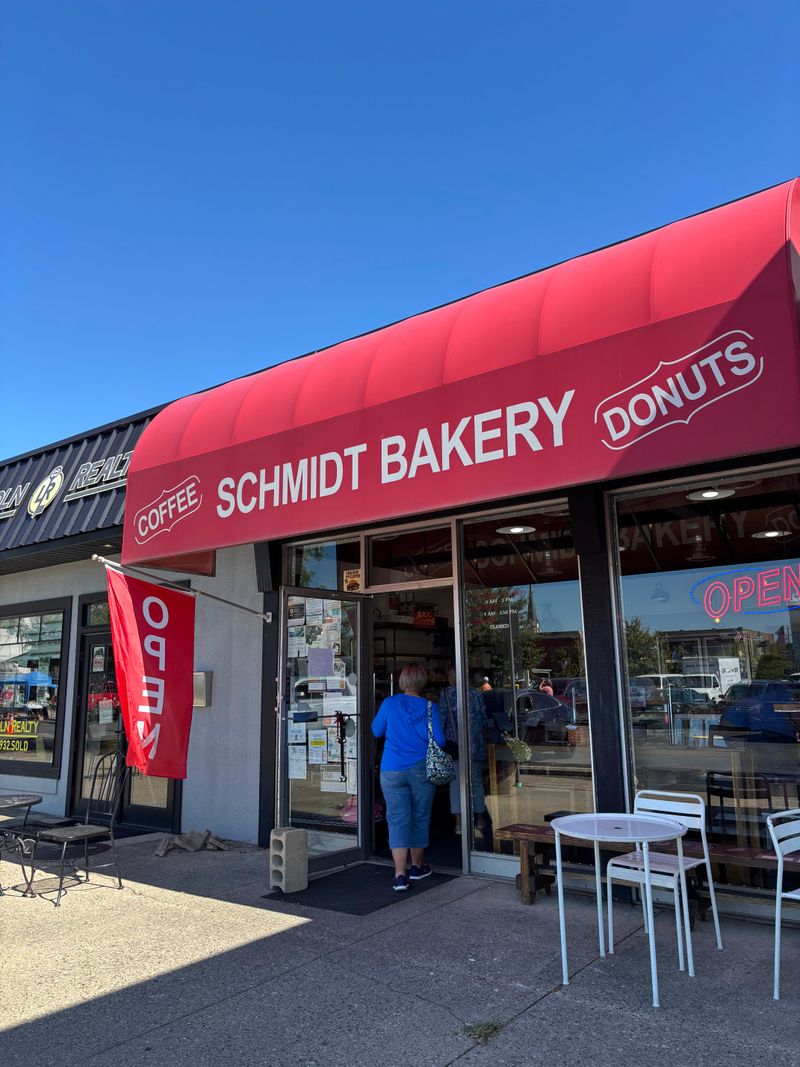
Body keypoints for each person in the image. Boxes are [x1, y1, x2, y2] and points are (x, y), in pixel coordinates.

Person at [372, 663, 446, 891]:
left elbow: (376, 731)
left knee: (397, 818)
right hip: (421, 768)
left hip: (391, 769)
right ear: (423, 682)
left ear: (402, 681)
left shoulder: (389, 703)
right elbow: (441, 742)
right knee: (420, 816)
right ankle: (417, 866)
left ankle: (399, 875)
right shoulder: (431, 707)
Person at [440, 668, 488, 835]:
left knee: (455, 783)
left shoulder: (446, 693)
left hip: (455, 744)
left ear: (455, 677)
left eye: (449, 675)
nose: (447, 678)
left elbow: (443, 718)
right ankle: (480, 818)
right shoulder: (476, 694)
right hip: (475, 744)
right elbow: (483, 719)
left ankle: (459, 822)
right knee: (475, 781)